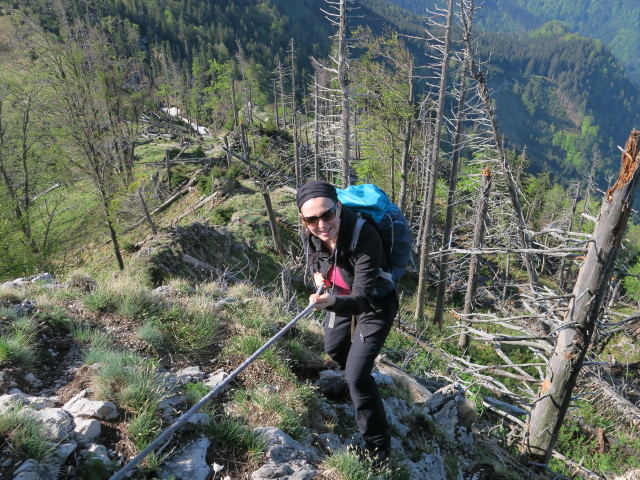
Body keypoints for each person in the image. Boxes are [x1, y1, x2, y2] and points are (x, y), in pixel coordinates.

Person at [296, 180, 398, 465]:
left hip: (376, 303)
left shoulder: (365, 236)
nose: (321, 224)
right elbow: (314, 258)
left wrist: (330, 302)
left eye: (327, 215)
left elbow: (363, 300)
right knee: (334, 347)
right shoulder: (310, 232)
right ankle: (355, 384)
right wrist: (318, 276)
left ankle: (378, 448)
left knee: (357, 376)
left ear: (338, 208)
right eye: (312, 219)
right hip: (339, 295)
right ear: (303, 219)